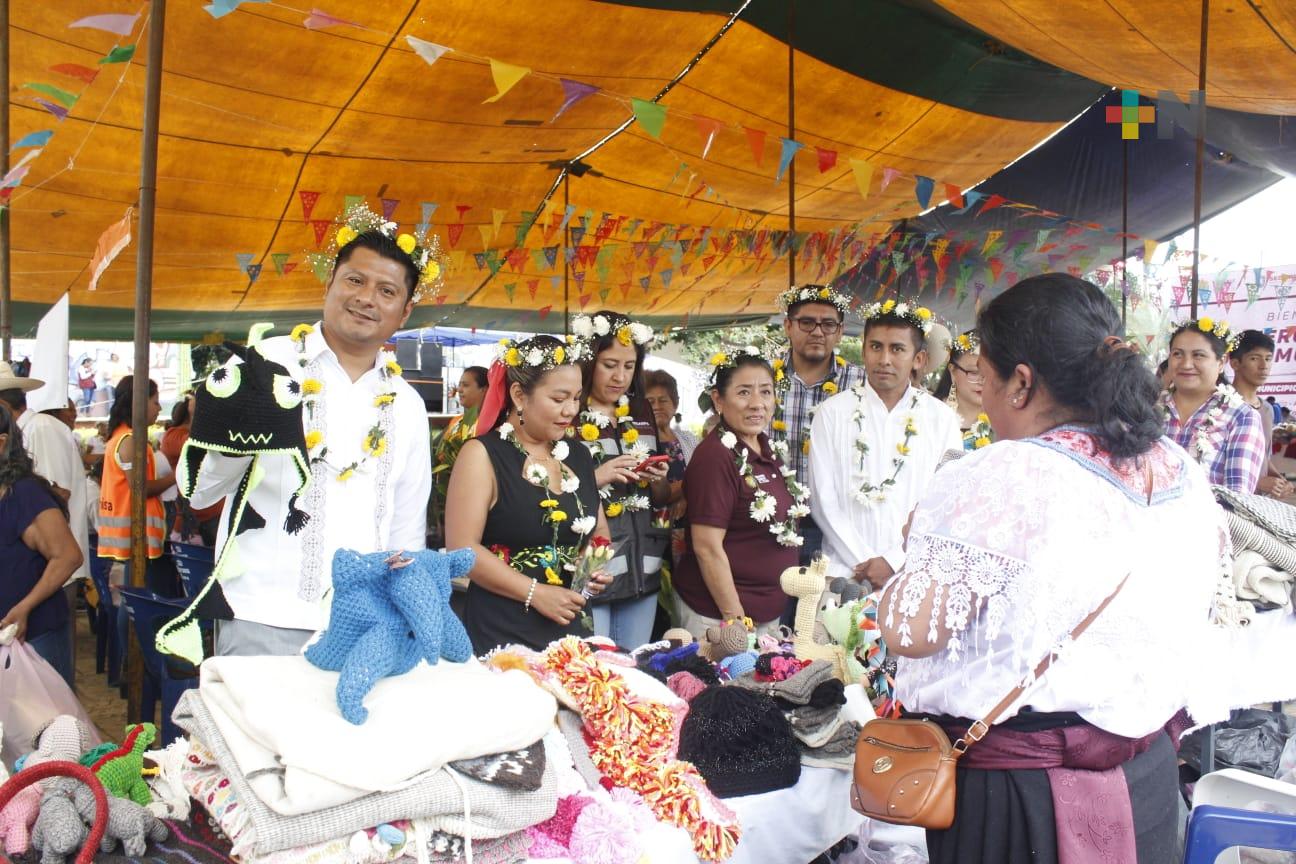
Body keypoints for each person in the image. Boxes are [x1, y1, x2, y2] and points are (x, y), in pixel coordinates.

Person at [881, 273, 1232, 864]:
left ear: (1020, 382)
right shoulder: (1176, 467)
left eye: (983, 377)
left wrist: (914, 547)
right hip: (1144, 780)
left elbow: (910, 632)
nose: (982, 396)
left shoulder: (997, 473)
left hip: (1023, 799)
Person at [186, 207, 434, 655]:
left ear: (406, 310)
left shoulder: (409, 404)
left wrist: (406, 618)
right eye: (355, 281)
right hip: (261, 615)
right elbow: (200, 492)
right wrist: (241, 427)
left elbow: (406, 528)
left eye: (386, 290)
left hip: (366, 624)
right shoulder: (263, 365)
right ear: (330, 284)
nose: (366, 298)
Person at [447, 335, 611, 653]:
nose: (571, 410)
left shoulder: (577, 454)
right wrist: (535, 593)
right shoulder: (482, 455)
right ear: (520, 395)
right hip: (503, 630)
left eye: (577, 398)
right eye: (559, 398)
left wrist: (592, 568)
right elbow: (461, 548)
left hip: (571, 627)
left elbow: (600, 530)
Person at [809, 299, 963, 589]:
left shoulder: (942, 419)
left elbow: (946, 502)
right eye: (876, 346)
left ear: (918, 359)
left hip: (913, 574)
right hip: (843, 575)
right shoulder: (831, 413)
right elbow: (822, 500)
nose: (884, 359)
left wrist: (893, 561)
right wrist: (866, 563)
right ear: (864, 350)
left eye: (897, 349)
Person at [671, 348, 807, 639]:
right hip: (721, 621)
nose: (757, 403)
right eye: (744, 393)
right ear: (718, 400)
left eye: (766, 392)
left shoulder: (766, 447)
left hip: (765, 616)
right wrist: (736, 623)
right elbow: (707, 547)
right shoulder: (716, 457)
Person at [572, 311, 671, 649]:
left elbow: (659, 498)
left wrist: (657, 477)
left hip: (643, 566)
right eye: (610, 364)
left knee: (634, 663)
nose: (620, 376)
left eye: (629, 366)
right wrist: (597, 477)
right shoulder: (567, 413)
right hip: (592, 564)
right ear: (589, 362)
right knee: (591, 663)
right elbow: (552, 490)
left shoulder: (641, 411)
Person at [769, 284, 865, 568]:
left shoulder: (861, 384)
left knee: (825, 610)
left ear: (839, 331)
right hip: (771, 520)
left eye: (828, 324)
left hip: (836, 525)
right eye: (807, 322)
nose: (818, 332)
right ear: (788, 325)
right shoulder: (762, 379)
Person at [0, 403, 83, 688]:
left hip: (34, 636)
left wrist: (24, 607)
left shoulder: (25, 494)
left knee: (47, 726)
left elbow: (68, 556)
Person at [1161, 318, 1265, 493]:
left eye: (1198, 355)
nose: (1186, 364)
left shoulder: (1241, 417)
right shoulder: (1146, 408)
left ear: (1222, 361)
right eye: (1177, 354)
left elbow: (1237, 500)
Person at [98, 375, 177, 595]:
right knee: (135, 598)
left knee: (132, 597)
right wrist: (177, 476)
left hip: (132, 535)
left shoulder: (121, 437)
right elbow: (141, 489)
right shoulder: (129, 440)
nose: (159, 407)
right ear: (138, 403)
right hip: (134, 534)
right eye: (155, 401)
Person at [1229, 330, 1291, 498]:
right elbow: (1208, 461)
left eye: (1268, 358)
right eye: (1254, 358)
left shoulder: (1267, 409)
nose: (1264, 366)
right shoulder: (1221, 406)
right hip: (1228, 502)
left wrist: (1279, 480)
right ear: (1234, 363)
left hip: (1258, 503)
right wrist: (1257, 481)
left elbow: (1263, 457)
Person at [432, 365, 489, 530]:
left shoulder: (491, 425)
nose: (459, 390)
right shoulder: (456, 421)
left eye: (466, 385)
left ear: (484, 389)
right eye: (459, 385)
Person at [934, 330, 994, 450]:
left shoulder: (1002, 421)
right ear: (952, 372)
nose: (982, 381)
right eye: (974, 372)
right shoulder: (932, 415)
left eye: (989, 373)